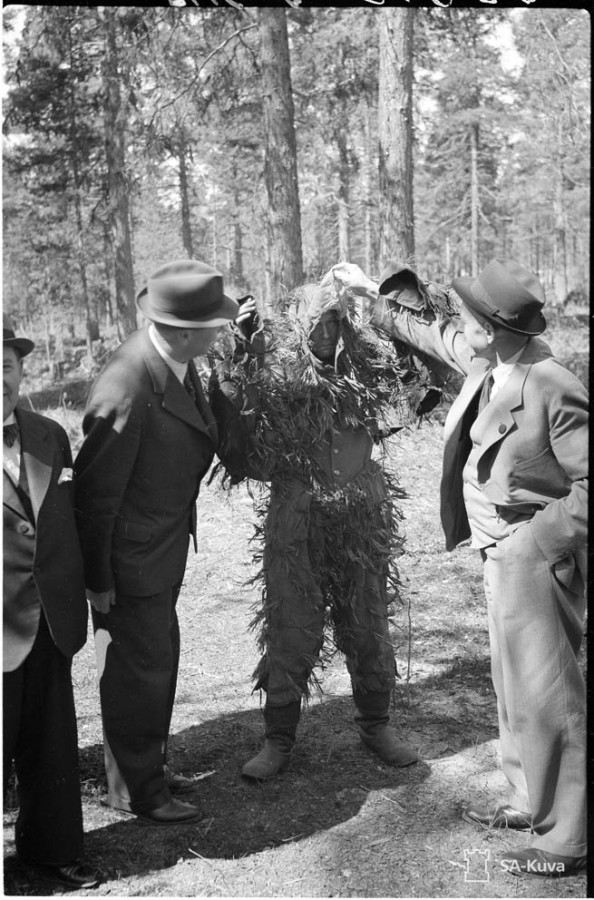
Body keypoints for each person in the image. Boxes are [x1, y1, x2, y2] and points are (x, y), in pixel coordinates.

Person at [332, 258, 588, 878]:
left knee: (549, 693)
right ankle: (529, 800)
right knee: (512, 683)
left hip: (531, 552)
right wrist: (373, 293)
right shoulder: (489, 361)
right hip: (495, 547)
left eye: (469, 317)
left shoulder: (550, 382)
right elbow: (431, 333)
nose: (458, 323)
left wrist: (538, 542)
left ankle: (566, 840)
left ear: (495, 329)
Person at [211, 273, 453, 781]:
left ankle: (376, 725)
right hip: (298, 524)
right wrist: (236, 355)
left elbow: (429, 377)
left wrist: (388, 303)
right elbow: (239, 448)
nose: (327, 332)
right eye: (318, 323)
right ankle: (278, 739)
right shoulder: (273, 379)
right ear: (298, 328)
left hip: (362, 519)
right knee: (291, 626)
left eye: (335, 321)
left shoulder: (366, 368)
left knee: (367, 621)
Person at [74, 259, 254, 825]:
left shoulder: (175, 358)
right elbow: (96, 495)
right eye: (213, 326)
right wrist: (98, 580)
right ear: (179, 329)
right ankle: (138, 793)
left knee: (155, 662)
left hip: (157, 545)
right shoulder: (127, 384)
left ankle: (143, 767)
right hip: (130, 560)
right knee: (136, 672)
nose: (221, 331)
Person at [3, 314, 100, 889]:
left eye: (6, 368)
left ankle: (54, 847)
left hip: (48, 619)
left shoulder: (48, 435)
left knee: (52, 740)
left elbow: (68, 520)